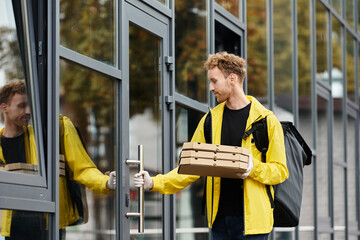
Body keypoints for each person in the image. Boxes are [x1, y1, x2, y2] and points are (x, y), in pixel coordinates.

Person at [134, 52, 289, 239]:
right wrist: (154, 182)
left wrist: (252, 168)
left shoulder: (267, 121)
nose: (210, 88)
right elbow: (189, 168)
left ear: (232, 79)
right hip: (219, 223)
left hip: (253, 225)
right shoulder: (210, 120)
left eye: (214, 81)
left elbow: (280, 171)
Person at [0, 80, 116, 239]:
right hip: (13, 232)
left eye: (30, 105)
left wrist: (106, 182)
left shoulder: (55, 131)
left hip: (50, 228)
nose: (28, 111)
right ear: (4, 107)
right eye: (21, 105)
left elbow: (83, 169)